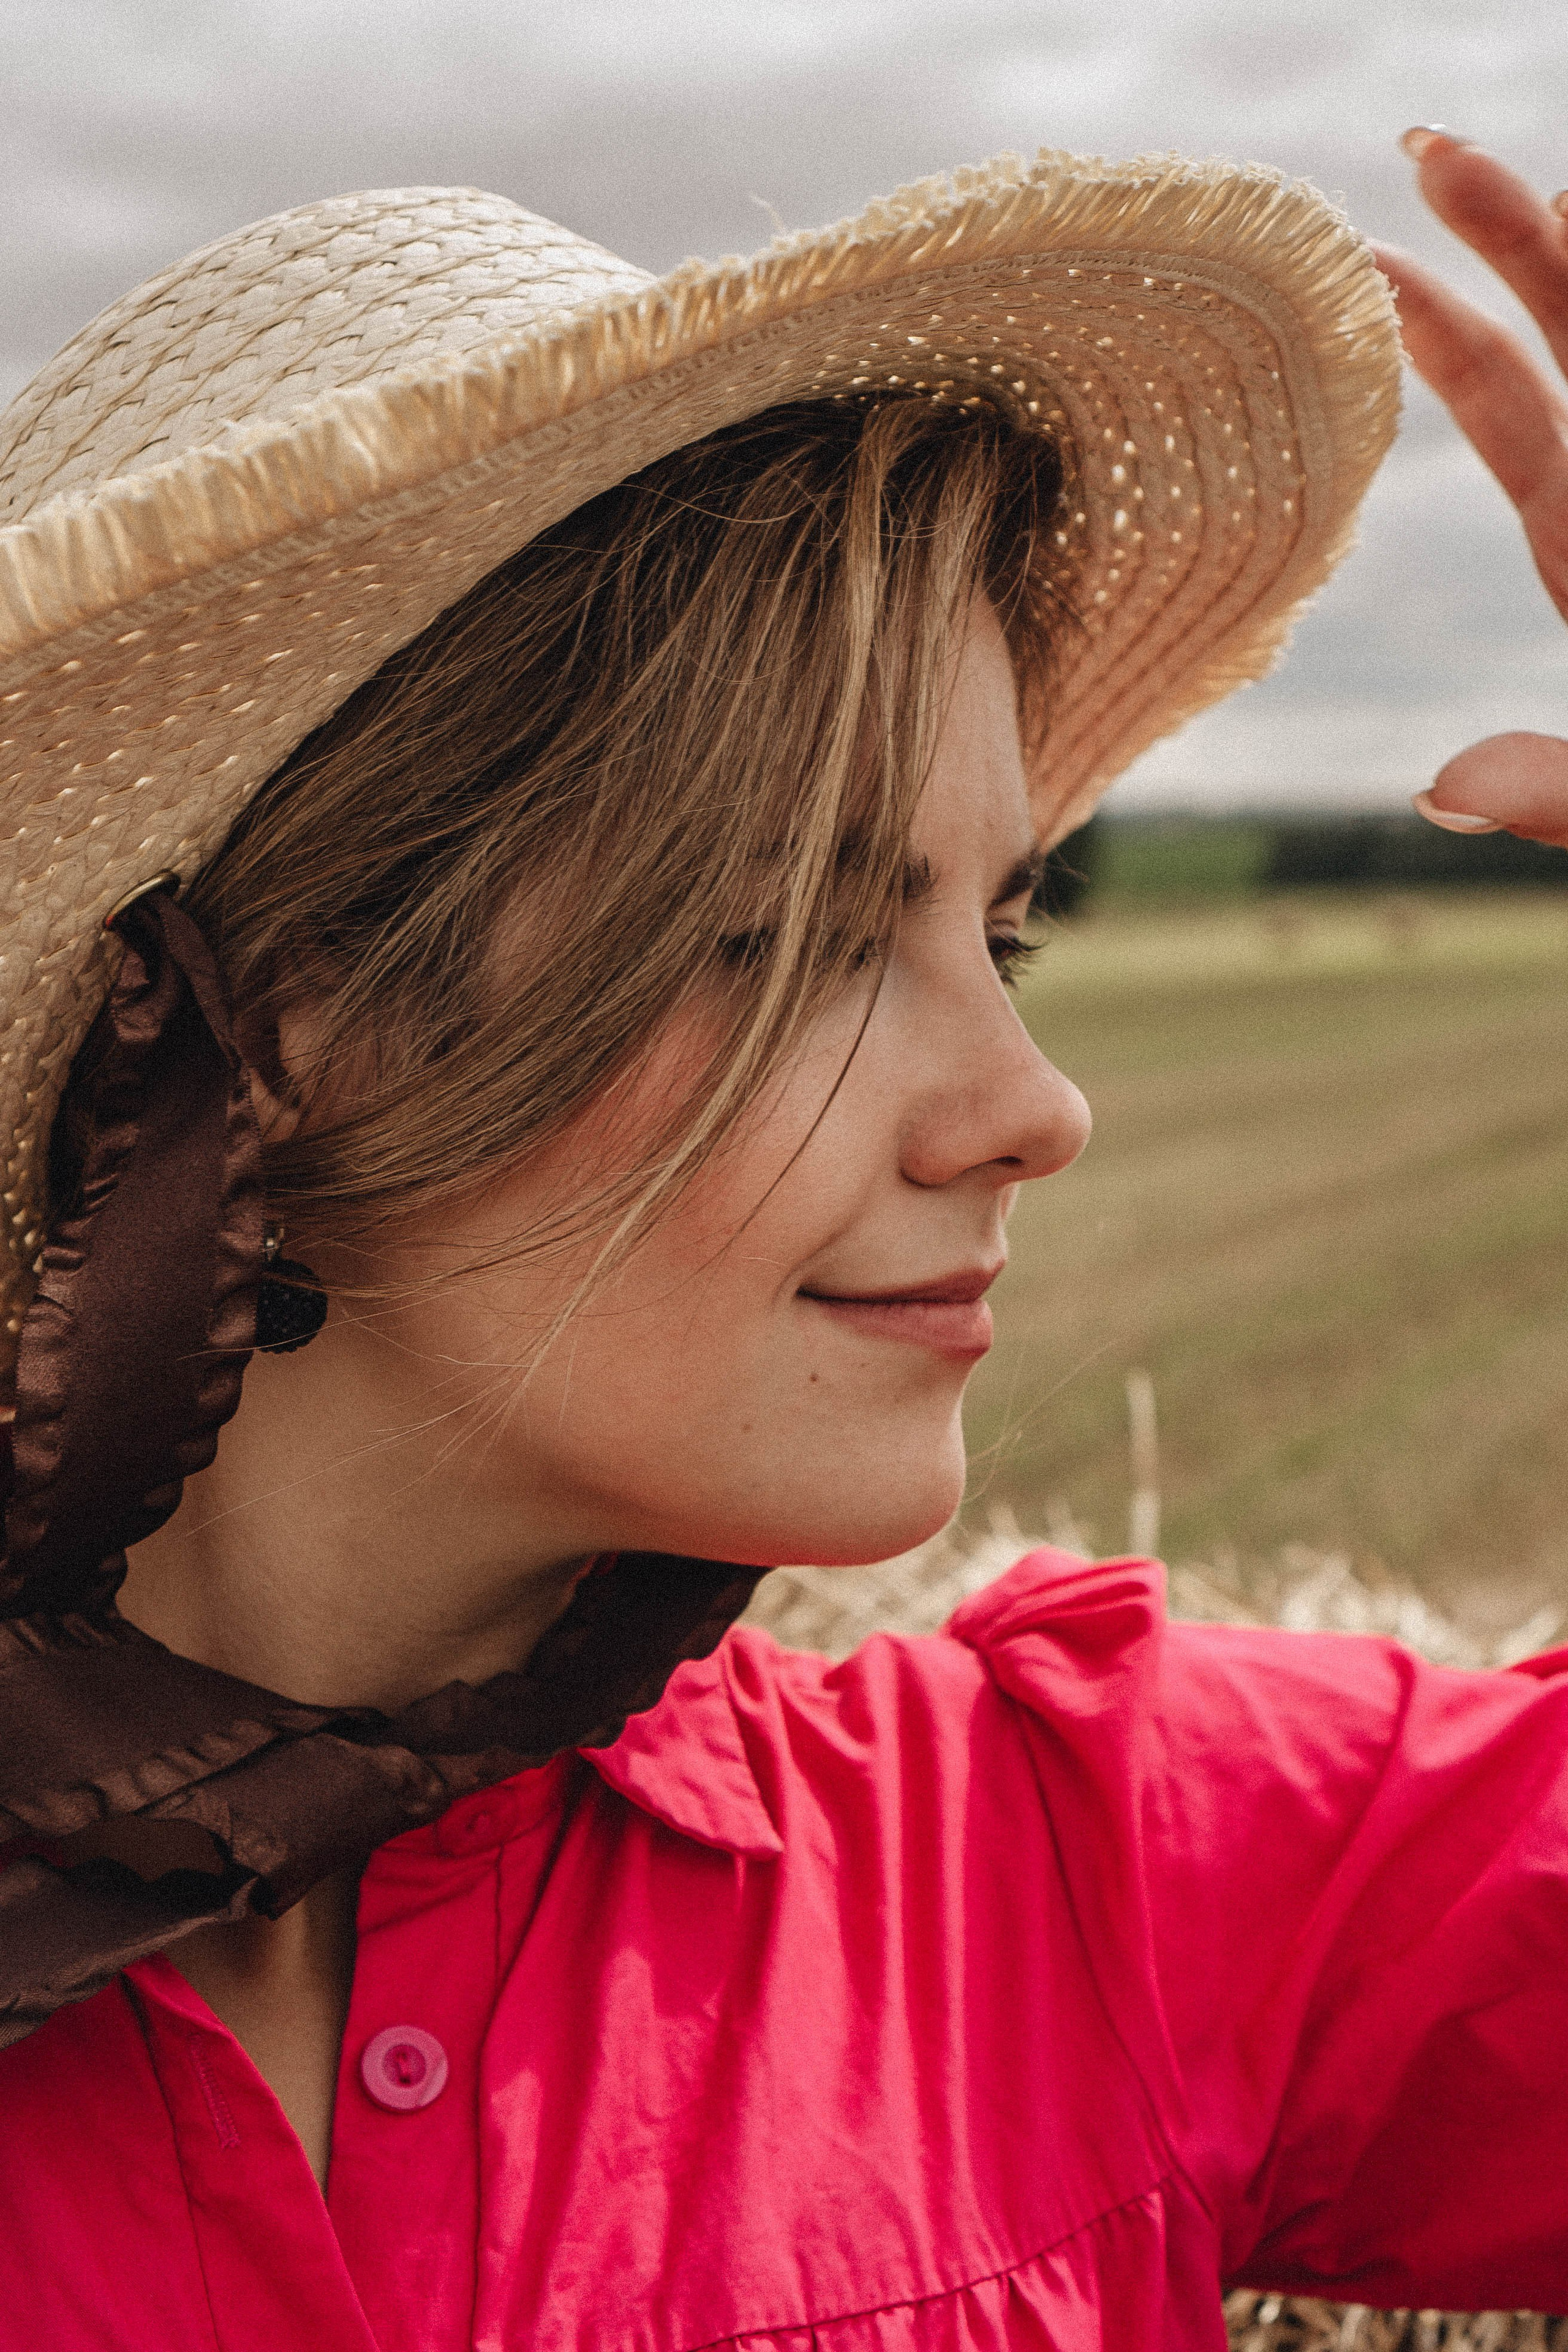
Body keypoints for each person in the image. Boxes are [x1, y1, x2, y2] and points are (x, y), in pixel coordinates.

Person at [0, 126, 1563, 2352]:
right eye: (803, 938)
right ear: (283, 1028)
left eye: (1000, 937)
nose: (1036, 1110)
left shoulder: (1092, 1872)